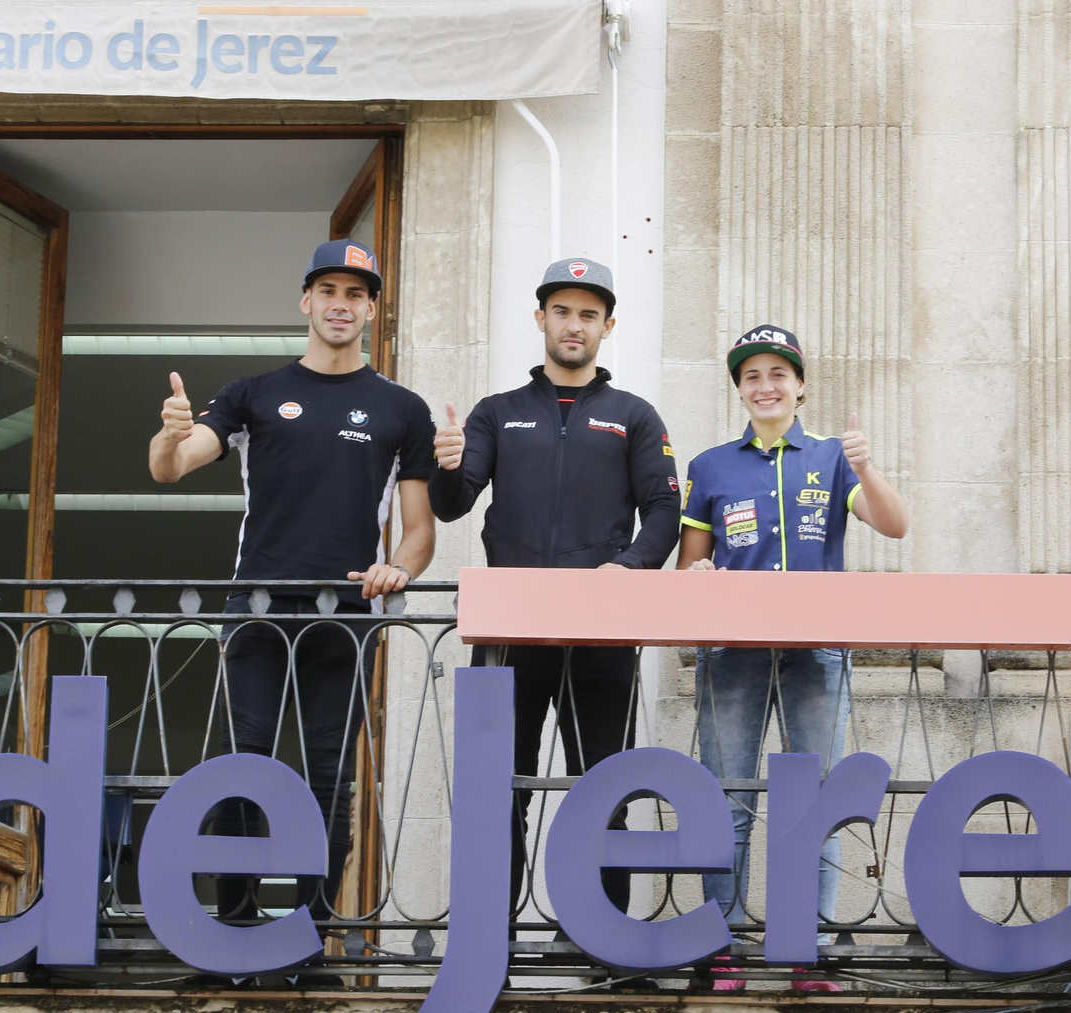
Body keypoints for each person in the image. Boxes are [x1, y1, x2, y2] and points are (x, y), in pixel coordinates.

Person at [149, 238, 437, 928]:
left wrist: (400, 567)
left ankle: (312, 937)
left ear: (371, 310)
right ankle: (234, 931)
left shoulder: (401, 408)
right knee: (241, 765)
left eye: (355, 294)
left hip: (348, 612)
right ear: (306, 299)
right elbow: (172, 467)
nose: (341, 305)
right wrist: (169, 435)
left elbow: (420, 528)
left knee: (328, 777)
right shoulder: (254, 393)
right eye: (328, 291)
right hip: (257, 605)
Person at [429, 257, 680, 919]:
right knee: (498, 795)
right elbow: (453, 504)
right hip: (509, 635)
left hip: (602, 634)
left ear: (607, 326)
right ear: (540, 318)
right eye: (562, 311)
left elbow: (664, 509)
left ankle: (601, 946)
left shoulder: (634, 415)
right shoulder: (496, 413)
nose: (574, 325)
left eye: (588, 315)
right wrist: (444, 465)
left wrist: (629, 567)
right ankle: (494, 946)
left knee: (604, 793)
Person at [678, 324, 908, 990]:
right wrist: (697, 576)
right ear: (739, 390)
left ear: (800, 385)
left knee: (817, 805)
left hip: (817, 653)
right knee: (727, 798)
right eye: (752, 376)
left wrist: (866, 466)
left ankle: (808, 952)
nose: (766, 386)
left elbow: (896, 525)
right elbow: (689, 566)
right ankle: (720, 949)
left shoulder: (833, 457)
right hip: (732, 653)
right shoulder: (711, 466)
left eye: (778, 373)